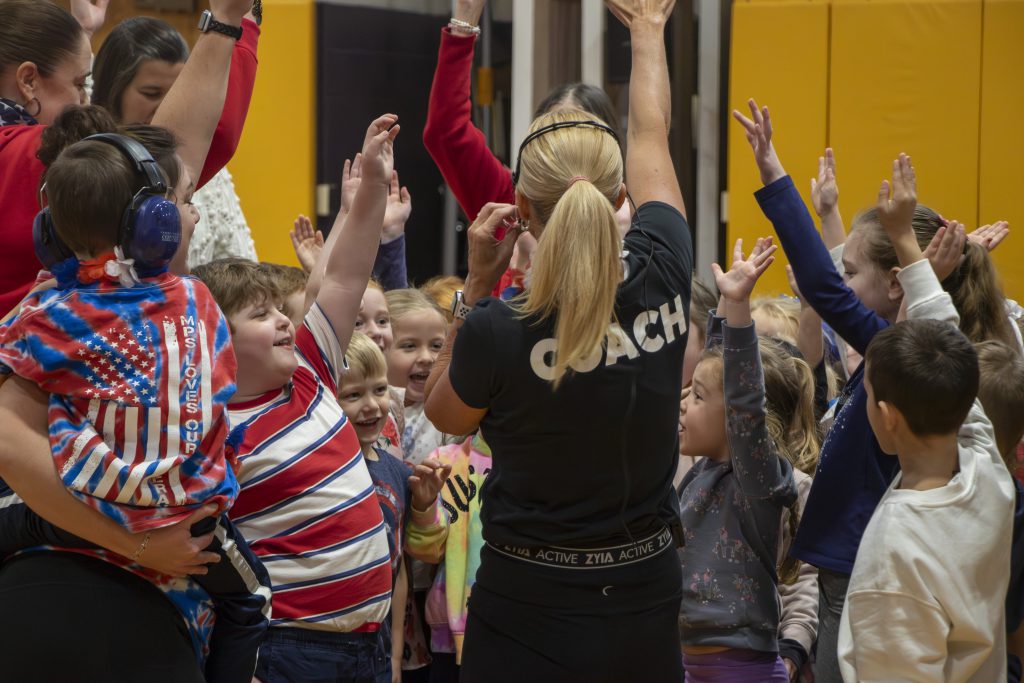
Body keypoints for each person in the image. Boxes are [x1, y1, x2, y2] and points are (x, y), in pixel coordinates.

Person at [423, 0, 690, 678]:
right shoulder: (665, 269)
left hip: (525, 605)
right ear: (621, 193)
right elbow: (653, 135)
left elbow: (441, 414)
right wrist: (649, 35)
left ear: (522, 210)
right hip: (643, 597)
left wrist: (475, 292)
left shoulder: (496, 329)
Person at [733, 99, 1017, 682]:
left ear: (888, 415)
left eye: (853, 271)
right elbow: (825, 280)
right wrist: (773, 173)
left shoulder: (894, 544)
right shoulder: (978, 450)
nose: (840, 279)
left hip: (851, 566)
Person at [0, 129, 271, 683]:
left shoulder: (42, 319)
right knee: (252, 599)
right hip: (188, 517)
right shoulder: (196, 301)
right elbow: (217, 397)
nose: (193, 215)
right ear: (156, 225)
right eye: (186, 201)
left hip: (76, 514)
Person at [193, 115, 441, 683]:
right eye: (261, 315)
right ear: (215, 337)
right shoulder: (214, 428)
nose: (284, 320)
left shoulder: (308, 370)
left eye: (279, 310)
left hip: (371, 643)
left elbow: (345, 279)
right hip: (289, 648)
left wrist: (374, 188)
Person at [838, 155, 1015, 681]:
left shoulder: (895, 555)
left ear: (888, 417)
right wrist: (904, 238)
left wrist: (903, 237)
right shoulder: (989, 472)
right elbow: (948, 337)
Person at [0, 0, 258, 315]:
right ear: (28, 81)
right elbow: (178, 155)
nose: (83, 103)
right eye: (80, 84)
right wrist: (229, 21)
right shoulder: (36, 155)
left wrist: (78, 34)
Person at [676, 238, 797, 682]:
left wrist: (740, 305)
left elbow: (743, 398)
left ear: (731, 418)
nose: (683, 405)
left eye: (698, 396)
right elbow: (718, 369)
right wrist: (725, 305)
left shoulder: (754, 482)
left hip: (741, 671)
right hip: (695, 666)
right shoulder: (704, 471)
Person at [91, 16, 259, 268]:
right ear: (112, 91)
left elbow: (242, 265)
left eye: (177, 93)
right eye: (151, 93)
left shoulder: (212, 173)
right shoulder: (90, 166)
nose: (168, 105)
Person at [338, 332, 452, 683]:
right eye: (353, 395)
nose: (371, 405)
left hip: (380, 642)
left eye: (380, 389)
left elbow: (398, 565)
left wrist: (424, 501)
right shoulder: (322, 473)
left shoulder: (397, 472)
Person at [384, 289, 450, 466]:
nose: (426, 358)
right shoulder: (371, 408)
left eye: (436, 346)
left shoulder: (447, 410)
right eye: (410, 346)